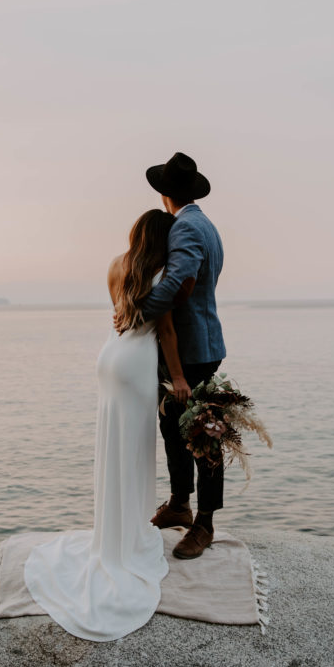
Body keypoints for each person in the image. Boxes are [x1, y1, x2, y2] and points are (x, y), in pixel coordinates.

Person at [24, 209, 190, 641]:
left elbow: (121, 315)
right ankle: (127, 540)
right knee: (133, 451)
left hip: (110, 357)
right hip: (136, 364)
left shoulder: (117, 265)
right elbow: (166, 332)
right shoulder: (161, 273)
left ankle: (112, 535)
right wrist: (178, 379)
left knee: (112, 446)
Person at [120, 152, 226, 560]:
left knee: (204, 435)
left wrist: (136, 312)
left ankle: (205, 523)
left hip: (193, 350)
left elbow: (179, 279)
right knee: (173, 428)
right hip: (191, 346)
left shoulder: (185, 227)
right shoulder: (205, 224)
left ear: (164, 193)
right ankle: (180, 503)